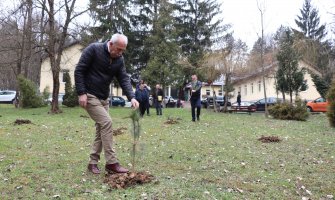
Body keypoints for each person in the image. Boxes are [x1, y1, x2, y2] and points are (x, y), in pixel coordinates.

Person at [74, 33, 139, 175]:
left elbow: (123, 78)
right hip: (90, 95)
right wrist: (81, 93)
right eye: (119, 49)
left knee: (101, 129)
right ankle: (112, 163)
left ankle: (92, 163)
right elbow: (79, 70)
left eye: (123, 50)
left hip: (103, 98)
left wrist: (132, 97)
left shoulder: (119, 59)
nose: (121, 53)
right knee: (107, 123)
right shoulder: (93, 49)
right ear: (110, 44)